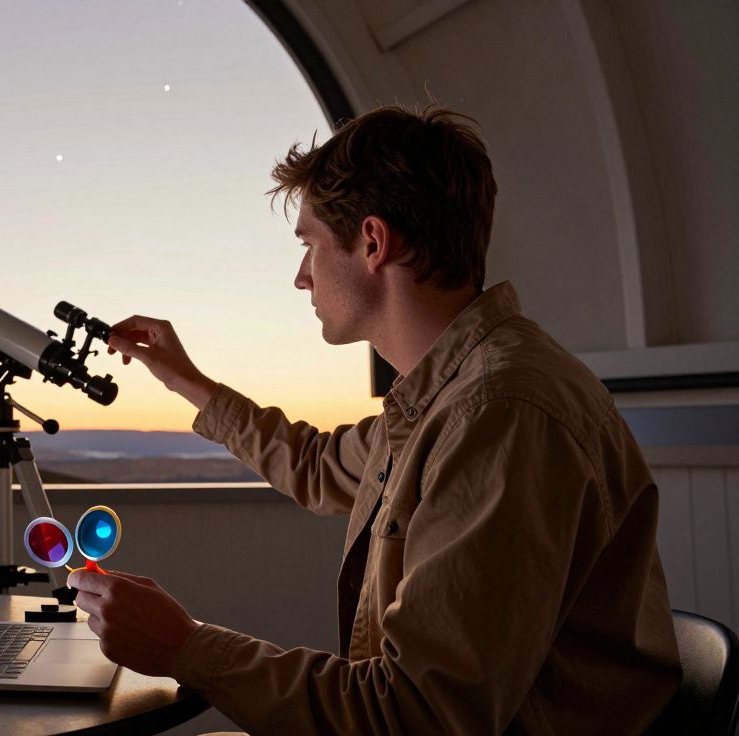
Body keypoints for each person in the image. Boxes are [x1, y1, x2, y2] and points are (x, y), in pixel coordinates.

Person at [67, 106, 681, 734]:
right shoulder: (447, 395)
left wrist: (183, 646)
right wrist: (185, 380)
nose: (300, 276)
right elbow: (316, 467)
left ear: (372, 242)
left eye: (309, 244)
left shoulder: (499, 414)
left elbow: (415, 716)